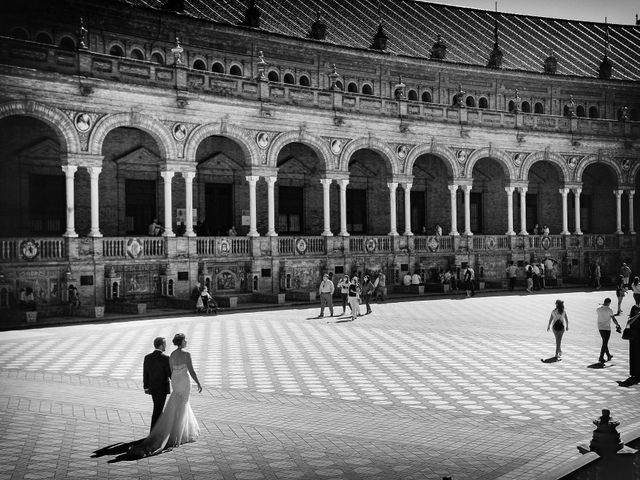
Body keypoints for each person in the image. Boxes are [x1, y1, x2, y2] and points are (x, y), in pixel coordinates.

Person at [130, 333, 202, 458]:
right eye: (185, 340)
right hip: (177, 383)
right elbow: (186, 371)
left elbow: (168, 372)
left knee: (167, 406)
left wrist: (146, 386)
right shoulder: (180, 355)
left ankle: (163, 430)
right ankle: (169, 433)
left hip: (166, 384)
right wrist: (198, 383)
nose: (186, 342)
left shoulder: (168, 355)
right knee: (177, 405)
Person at [143, 337, 172, 431]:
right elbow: (170, 373)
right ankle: (153, 432)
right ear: (161, 345)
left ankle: (160, 429)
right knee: (157, 410)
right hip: (162, 388)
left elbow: (145, 373)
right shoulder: (166, 358)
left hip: (152, 388)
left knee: (158, 407)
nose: (166, 346)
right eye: (165, 344)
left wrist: (146, 387)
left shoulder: (147, 357)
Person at [596, 298, 621, 364]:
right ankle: (601, 357)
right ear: (609, 303)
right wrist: (618, 325)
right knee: (605, 343)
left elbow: (601, 306)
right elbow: (613, 319)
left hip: (600, 327)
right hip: (607, 328)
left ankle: (608, 355)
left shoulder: (598, 308)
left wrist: (601, 305)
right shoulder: (610, 310)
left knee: (604, 342)